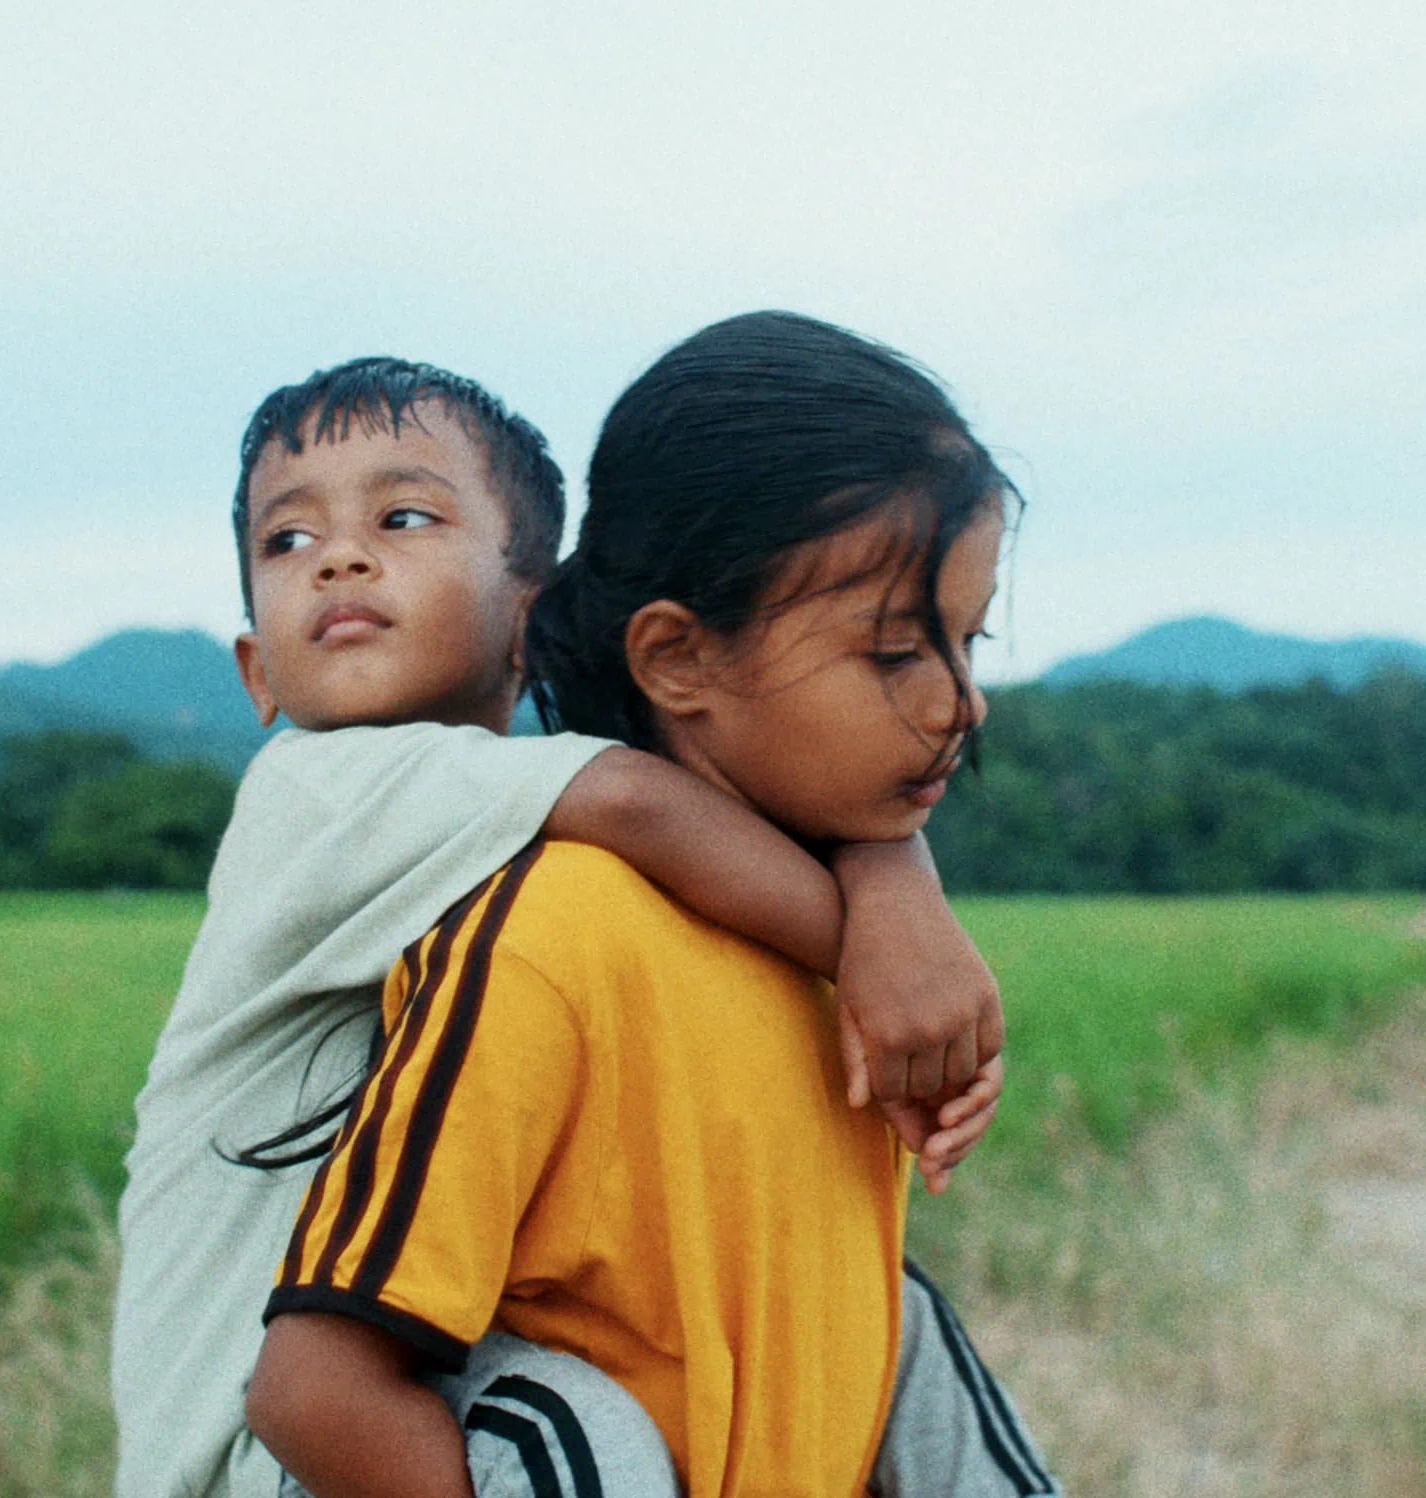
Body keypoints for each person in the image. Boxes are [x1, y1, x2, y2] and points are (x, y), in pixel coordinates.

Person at [112, 353, 1014, 1498]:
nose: (337, 556)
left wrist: (893, 866)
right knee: (559, 1414)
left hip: (389, 1385)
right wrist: (883, 940)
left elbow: (737, 798)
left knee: (892, 1313)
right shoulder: (315, 790)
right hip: (261, 1455)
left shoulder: (510, 823)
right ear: (255, 675)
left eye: (401, 516)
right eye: (285, 541)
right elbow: (644, 798)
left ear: (528, 617)